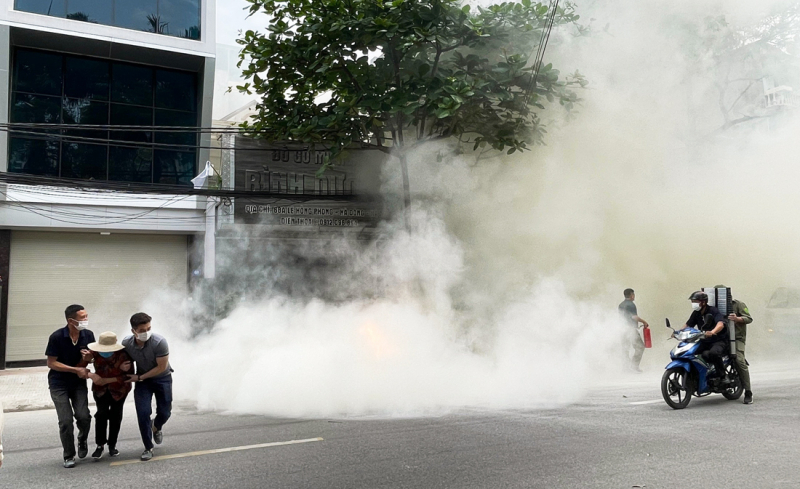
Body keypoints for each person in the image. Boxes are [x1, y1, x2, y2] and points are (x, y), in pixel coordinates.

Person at [45, 304, 95, 468]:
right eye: (82, 318)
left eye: (86, 316)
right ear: (70, 321)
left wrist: (88, 358)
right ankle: (69, 455)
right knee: (65, 420)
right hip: (58, 383)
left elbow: (92, 358)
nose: (86, 320)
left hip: (78, 383)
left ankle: (82, 439)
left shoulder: (88, 335)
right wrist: (75, 370)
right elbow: (51, 363)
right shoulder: (57, 337)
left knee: (84, 416)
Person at [122, 312, 173, 461]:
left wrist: (139, 377)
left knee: (165, 412)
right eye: (142, 330)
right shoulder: (127, 343)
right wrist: (124, 367)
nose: (146, 332)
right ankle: (148, 447)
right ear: (133, 331)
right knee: (143, 413)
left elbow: (161, 367)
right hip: (143, 383)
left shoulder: (159, 342)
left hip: (162, 378)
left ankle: (156, 426)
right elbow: (121, 360)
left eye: (148, 329)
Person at [84, 332, 133, 460]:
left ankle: (112, 445)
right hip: (100, 390)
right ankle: (100, 445)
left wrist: (106, 380)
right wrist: (91, 374)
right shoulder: (94, 353)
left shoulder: (123, 355)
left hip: (119, 390)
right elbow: (80, 369)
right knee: (101, 414)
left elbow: (128, 376)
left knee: (116, 416)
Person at [715, 285, 754, 404]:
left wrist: (737, 319)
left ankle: (748, 392)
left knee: (739, 361)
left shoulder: (738, 304)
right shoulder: (713, 307)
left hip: (736, 338)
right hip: (720, 338)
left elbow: (749, 319)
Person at [683, 291, 729, 382]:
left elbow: (720, 324)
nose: (693, 304)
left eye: (695, 301)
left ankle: (723, 376)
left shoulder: (713, 311)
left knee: (713, 353)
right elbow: (688, 325)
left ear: (703, 302)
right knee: (689, 352)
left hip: (718, 341)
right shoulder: (696, 313)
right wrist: (678, 332)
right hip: (704, 341)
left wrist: (712, 332)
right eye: (692, 302)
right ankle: (696, 375)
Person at [618, 288, 649, 372]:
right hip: (631, 330)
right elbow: (634, 317)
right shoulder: (631, 305)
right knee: (640, 347)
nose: (634, 296)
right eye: (633, 294)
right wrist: (644, 322)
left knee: (625, 348)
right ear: (631, 295)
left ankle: (625, 368)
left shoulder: (621, 305)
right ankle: (634, 366)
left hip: (623, 330)